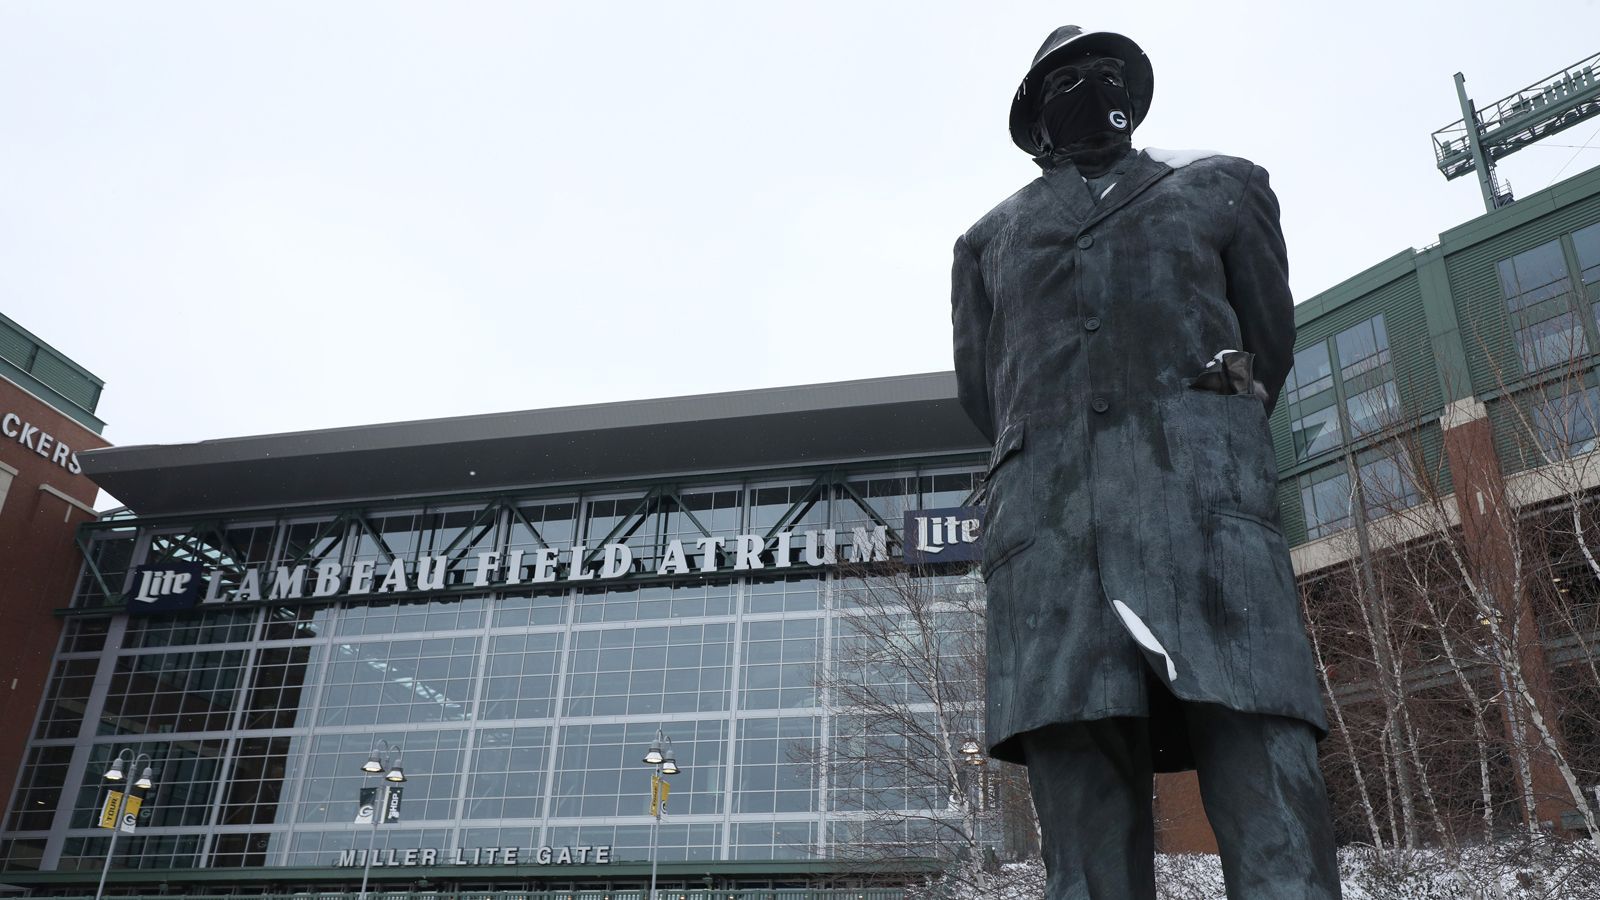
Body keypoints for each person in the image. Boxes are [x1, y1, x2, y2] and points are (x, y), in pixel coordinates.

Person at [950, 25, 1342, 900]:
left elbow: (1265, 347)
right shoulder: (987, 242)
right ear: (1033, 118)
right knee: (1084, 830)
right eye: (1065, 80)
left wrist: (1186, 430)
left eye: (1106, 73)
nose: (1090, 88)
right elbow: (992, 393)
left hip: (1208, 526)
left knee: (1268, 779)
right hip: (1053, 548)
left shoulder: (1224, 189)